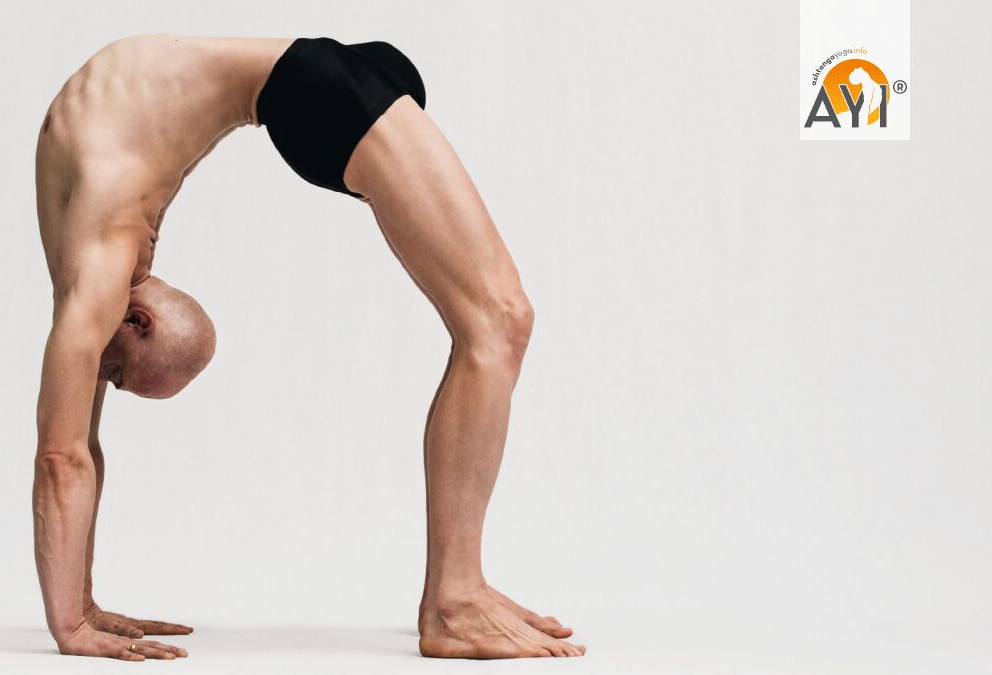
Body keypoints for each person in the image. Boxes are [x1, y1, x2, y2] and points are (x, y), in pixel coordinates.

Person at [33, 34, 584, 661]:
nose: (102, 378)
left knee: (499, 322)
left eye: (116, 374)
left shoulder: (99, 266)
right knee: (494, 322)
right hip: (321, 79)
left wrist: (68, 627)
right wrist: (79, 605)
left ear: (139, 322)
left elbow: (61, 457)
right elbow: (80, 445)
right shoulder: (91, 264)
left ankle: (456, 601)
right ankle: (459, 592)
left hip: (321, 91)